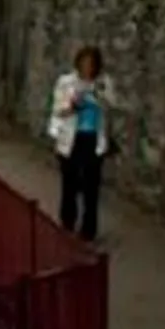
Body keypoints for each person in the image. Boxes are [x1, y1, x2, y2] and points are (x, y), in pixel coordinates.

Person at [48, 45, 113, 241]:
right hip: (71, 138)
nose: (87, 68)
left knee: (91, 186)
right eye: (84, 64)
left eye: (91, 64)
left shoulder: (103, 83)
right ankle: (67, 223)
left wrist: (98, 96)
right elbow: (59, 110)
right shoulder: (66, 82)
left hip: (93, 139)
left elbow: (110, 106)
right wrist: (74, 105)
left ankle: (88, 230)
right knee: (70, 182)